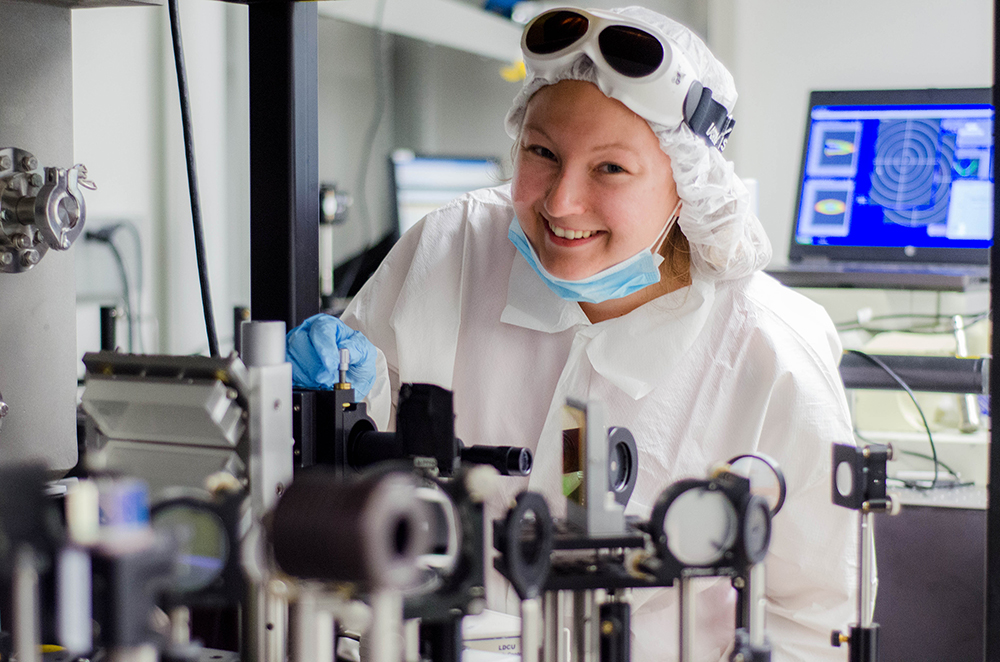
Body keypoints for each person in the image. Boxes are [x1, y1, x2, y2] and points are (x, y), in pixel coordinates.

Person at [288, 7, 857, 660]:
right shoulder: (449, 251)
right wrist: (309, 411)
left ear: (685, 181)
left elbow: (816, 626)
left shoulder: (768, 352)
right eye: (542, 153)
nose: (560, 202)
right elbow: (336, 492)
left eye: (610, 169)